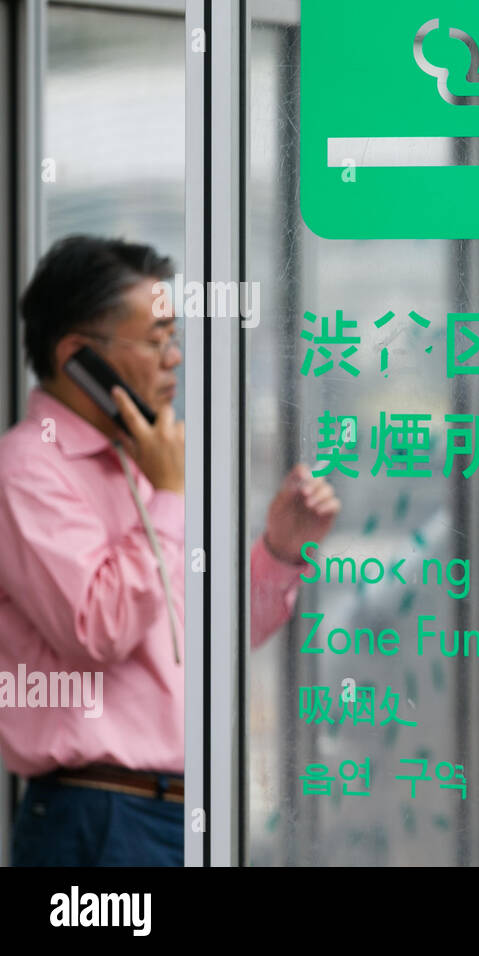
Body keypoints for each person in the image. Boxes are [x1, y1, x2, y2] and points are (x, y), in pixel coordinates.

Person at [0, 235, 340, 866]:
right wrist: (170, 496)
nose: (175, 358)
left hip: (179, 808)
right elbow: (98, 627)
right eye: (155, 340)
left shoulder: (145, 467)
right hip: (100, 813)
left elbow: (202, 642)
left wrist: (281, 552)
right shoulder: (29, 468)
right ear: (78, 356)